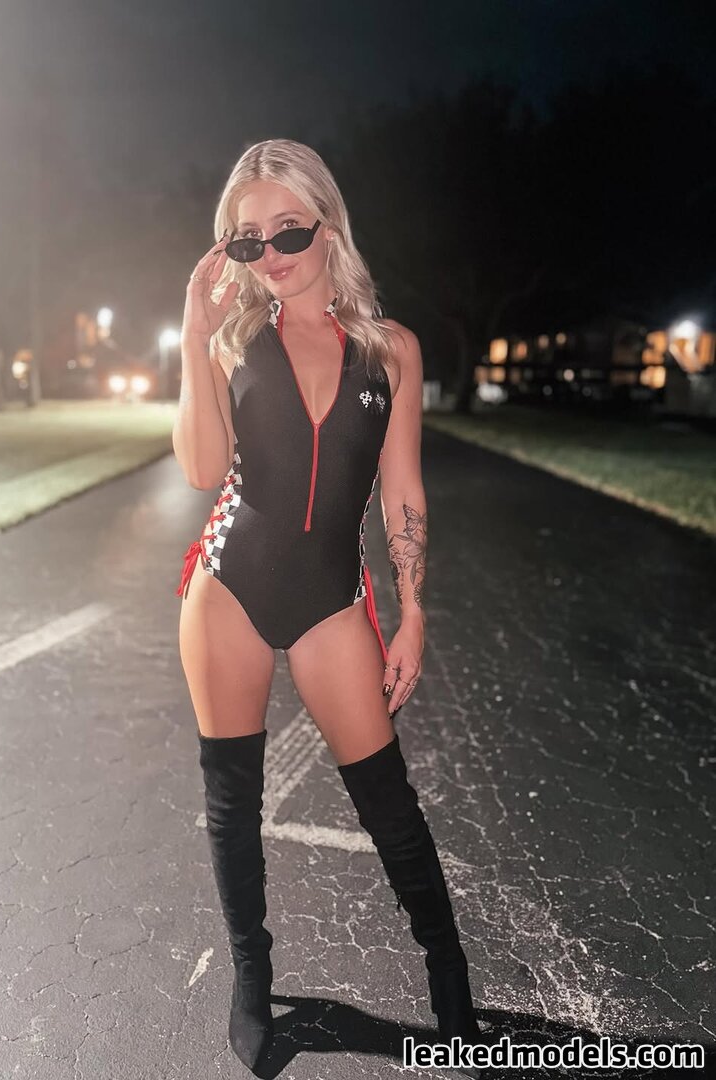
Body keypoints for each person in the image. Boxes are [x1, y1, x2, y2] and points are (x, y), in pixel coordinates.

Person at [172, 138, 483, 1075]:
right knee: (233, 804)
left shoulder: (392, 352)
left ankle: (449, 975)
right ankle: (252, 976)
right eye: (247, 240)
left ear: (327, 223)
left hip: (331, 601)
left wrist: (413, 610)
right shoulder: (230, 341)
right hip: (228, 588)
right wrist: (193, 333)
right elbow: (201, 468)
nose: (270, 253)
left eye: (288, 230)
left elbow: (402, 492)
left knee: (389, 803)